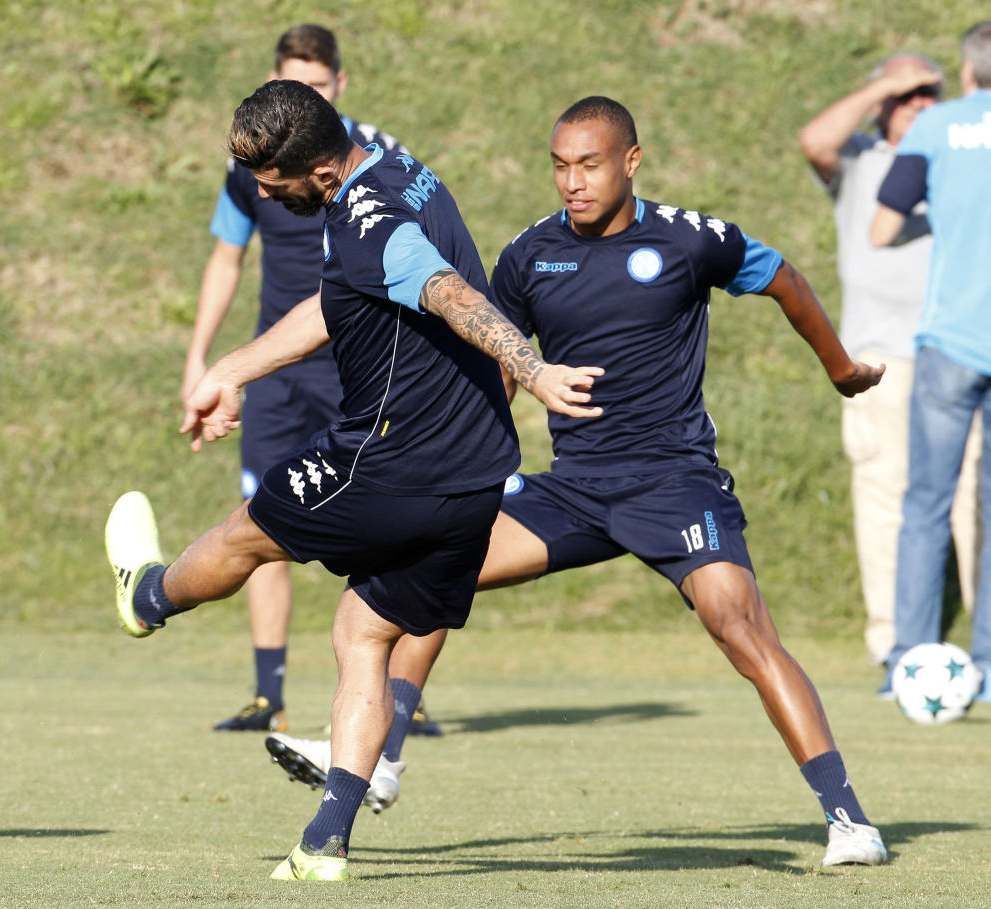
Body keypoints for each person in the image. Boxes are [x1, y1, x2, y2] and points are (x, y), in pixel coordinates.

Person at [263, 95, 890, 868]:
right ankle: (381, 761)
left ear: (631, 160)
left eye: (589, 165)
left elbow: (785, 279)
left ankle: (849, 820)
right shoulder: (529, 255)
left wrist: (840, 368)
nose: (572, 181)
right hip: (575, 488)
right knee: (434, 563)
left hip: (673, 481)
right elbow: (496, 358)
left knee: (739, 624)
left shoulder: (691, 240)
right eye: (560, 165)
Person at [105, 79, 602, 881]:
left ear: (320, 172)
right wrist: (233, 369)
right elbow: (342, 298)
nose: (263, 196)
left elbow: (446, 291)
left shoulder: (367, 222)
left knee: (244, 534)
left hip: (386, 460)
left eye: (273, 185)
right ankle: (324, 844)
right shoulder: (403, 171)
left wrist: (533, 368)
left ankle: (147, 596)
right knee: (364, 631)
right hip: (476, 474)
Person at [183, 24, 442, 736]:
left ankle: (398, 691)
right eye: (293, 85)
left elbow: (420, 258)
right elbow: (226, 258)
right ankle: (269, 694)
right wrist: (200, 357)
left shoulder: (375, 158)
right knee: (260, 510)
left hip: (358, 362)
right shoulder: (251, 166)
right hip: (276, 369)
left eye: (318, 87)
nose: (305, 97)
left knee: (391, 520)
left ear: (340, 87)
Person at [799, 53, 981, 671]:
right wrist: (887, 83)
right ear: (879, 103)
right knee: (885, 500)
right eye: (904, 95)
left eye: (928, 90)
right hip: (880, 358)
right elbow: (814, 140)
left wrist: (908, 94)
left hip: (956, 348)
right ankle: (894, 647)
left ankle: (982, 647)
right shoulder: (860, 159)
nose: (917, 102)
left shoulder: (957, 150)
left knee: (972, 498)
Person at [871, 21, 991, 701]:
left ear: (967, 73)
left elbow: (883, 227)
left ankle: (908, 664)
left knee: (925, 504)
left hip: (951, 342)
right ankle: (989, 669)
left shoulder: (938, 125)